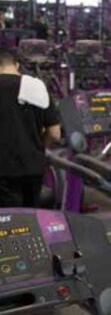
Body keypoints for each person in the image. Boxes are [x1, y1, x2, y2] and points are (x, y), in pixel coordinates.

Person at [0, 49, 61, 207]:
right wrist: (37, 146)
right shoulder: (36, 87)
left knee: (7, 223)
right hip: (32, 167)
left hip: (3, 170)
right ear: (17, 65)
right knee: (31, 220)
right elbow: (55, 134)